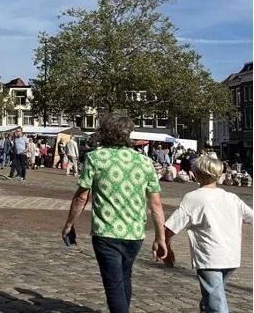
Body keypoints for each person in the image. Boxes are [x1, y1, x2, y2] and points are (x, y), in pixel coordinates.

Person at [61, 115, 166, 313]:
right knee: (125, 276)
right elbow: (156, 204)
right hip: (135, 232)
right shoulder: (144, 162)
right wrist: (160, 237)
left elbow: (81, 197)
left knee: (114, 284)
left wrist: (69, 224)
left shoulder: (95, 158)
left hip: (106, 231)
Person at [162, 155, 253, 313]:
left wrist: (165, 246)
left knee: (215, 303)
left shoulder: (193, 198)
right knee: (212, 297)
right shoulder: (232, 198)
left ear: (196, 173)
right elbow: (250, 216)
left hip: (210, 257)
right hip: (231, 256)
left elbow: (171, 227)